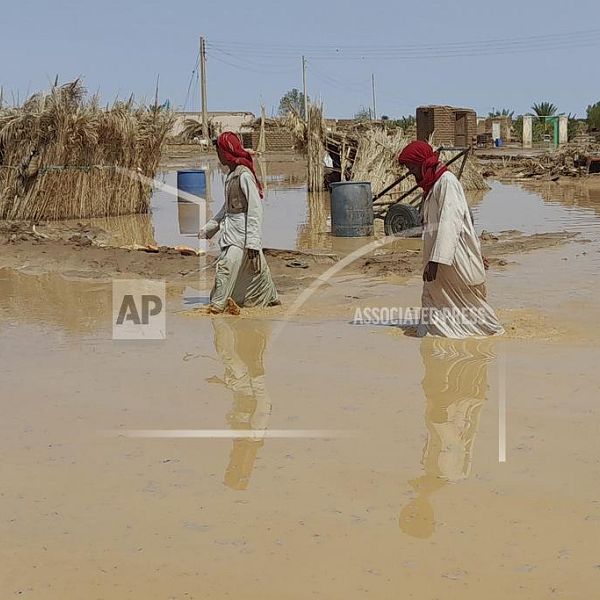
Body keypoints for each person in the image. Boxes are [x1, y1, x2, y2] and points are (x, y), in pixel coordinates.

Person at [397, 140, 504, 338]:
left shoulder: (446, 182)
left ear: (422, 163)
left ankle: (489, 336)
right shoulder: (433, 186)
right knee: (438, 299)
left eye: (412, 167)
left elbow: (451, 222)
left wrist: (437, 261)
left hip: (453, 258)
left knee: (468, 303)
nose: (411, 173)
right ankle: (433, 340)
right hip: (443, 257)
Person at [199, 132, 279, 314]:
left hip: (241, 236)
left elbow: (255, 209)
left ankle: (216, 309)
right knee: (258, 272)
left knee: (225, 269)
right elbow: (226, 208)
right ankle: (271, 301)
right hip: (234, 233)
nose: (217, 155)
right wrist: (209, 228)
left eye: (218, 151)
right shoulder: (232, 176)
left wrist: (252, 241)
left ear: (226, 152)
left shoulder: (243, 176)